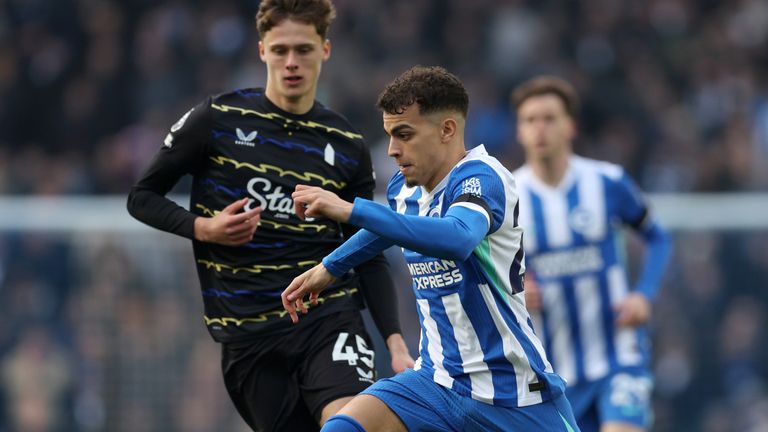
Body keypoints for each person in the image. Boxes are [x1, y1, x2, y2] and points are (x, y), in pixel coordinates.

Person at [126, 1, 413, 430]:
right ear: (262, 51)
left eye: (303, 49)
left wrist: (395, 341)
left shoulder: (346, 144)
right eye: (280, 50)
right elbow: (142, 197)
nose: (291, 62)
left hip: (328, 317)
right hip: (248, 332)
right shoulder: (217, 120)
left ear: (325, 50)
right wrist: (203, 228)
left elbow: (366, 250)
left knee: (348, 424)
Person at [282, 66, 579, 432]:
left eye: (404, 135)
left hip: (513, 395)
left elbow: (457, 238)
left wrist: (350, 209)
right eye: (390, 135)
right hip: (435, 384)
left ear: (447, 130)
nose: (392, 150)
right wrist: (330, 267)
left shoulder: (484, 177)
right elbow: (392, 226)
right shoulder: (404, 188)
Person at [509, 76, 673, 432]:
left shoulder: (607, 182)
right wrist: (516, 291)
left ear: (571, 126)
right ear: (519, 131)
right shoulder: (507, 197)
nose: (540, 129)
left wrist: (644, 295)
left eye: (549, 118)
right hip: (551, 372)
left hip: (618, 355)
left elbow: (658, 238)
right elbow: (487, 270)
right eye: (530, 120)